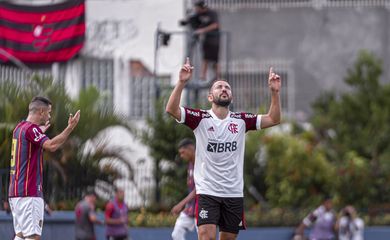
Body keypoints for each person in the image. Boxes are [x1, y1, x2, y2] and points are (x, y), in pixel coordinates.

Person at [165, 58, 281, 240]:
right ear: (210, 97)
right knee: (206, 236)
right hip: (207, 192)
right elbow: (171, 109)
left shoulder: (241, 120)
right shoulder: (200, 118)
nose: (224, 89)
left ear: (231, 97)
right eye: (219, 87)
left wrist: (274, 93)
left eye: (227, 87)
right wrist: (181, 82)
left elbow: (273, 119)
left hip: (233, 193)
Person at [8, 96, 80, 240]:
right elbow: (52, 145)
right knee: (33, 236)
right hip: (29, 193)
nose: (49, 116)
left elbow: (29, 144)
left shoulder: (19, 128)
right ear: (41, 111)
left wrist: (39, 132)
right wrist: (70, 128)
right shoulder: (31, 129)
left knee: (21, 236)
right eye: (48, 112)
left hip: (15, 193)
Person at [180, 0, 220, 81]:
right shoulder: (199, 14)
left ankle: (218, 77)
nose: (197, 10)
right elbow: (192, 20)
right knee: (205, 58)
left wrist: (202, 30)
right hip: (206, 40)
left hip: (214, 39)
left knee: (215, 60)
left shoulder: (211, 13)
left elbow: (215, 25)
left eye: (198, 8)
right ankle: (203, 76)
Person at [171, 138, 197, 240]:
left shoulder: (201, 162)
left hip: (202, 206)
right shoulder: (190, 164)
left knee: (204, 236)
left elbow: (199, 189)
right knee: (176, 233)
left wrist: (180, 204)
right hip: (191, 208)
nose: (181, 156)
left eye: (183, 152)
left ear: (191, 148)